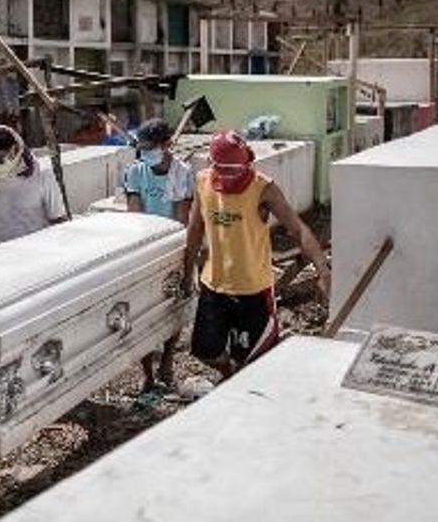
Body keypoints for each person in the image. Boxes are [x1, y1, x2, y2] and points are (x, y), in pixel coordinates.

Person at [181, 131, 331, 380]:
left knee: (255, 360)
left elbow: (298, 229)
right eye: (224, 170)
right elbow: (195, 229)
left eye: (236, 170)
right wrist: (188, 273)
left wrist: (322, 270)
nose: (231, 175)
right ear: (212, 164)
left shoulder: (263, 188)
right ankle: (229, 374)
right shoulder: (202, 182)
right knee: (204, 350)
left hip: (253, 290)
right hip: (214, 285)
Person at [124, 118, 193, 392]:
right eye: (143, 147)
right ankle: (148, 375)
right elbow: (135, 216)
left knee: (174, 309)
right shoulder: (136, 172)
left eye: (152, 147)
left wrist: (179, 257)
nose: (146, 152)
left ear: (167, 145)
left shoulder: (182, 173)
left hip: (173, 248)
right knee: (141, 314)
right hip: (144, 248)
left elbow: (182, 220)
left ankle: (167, 360)